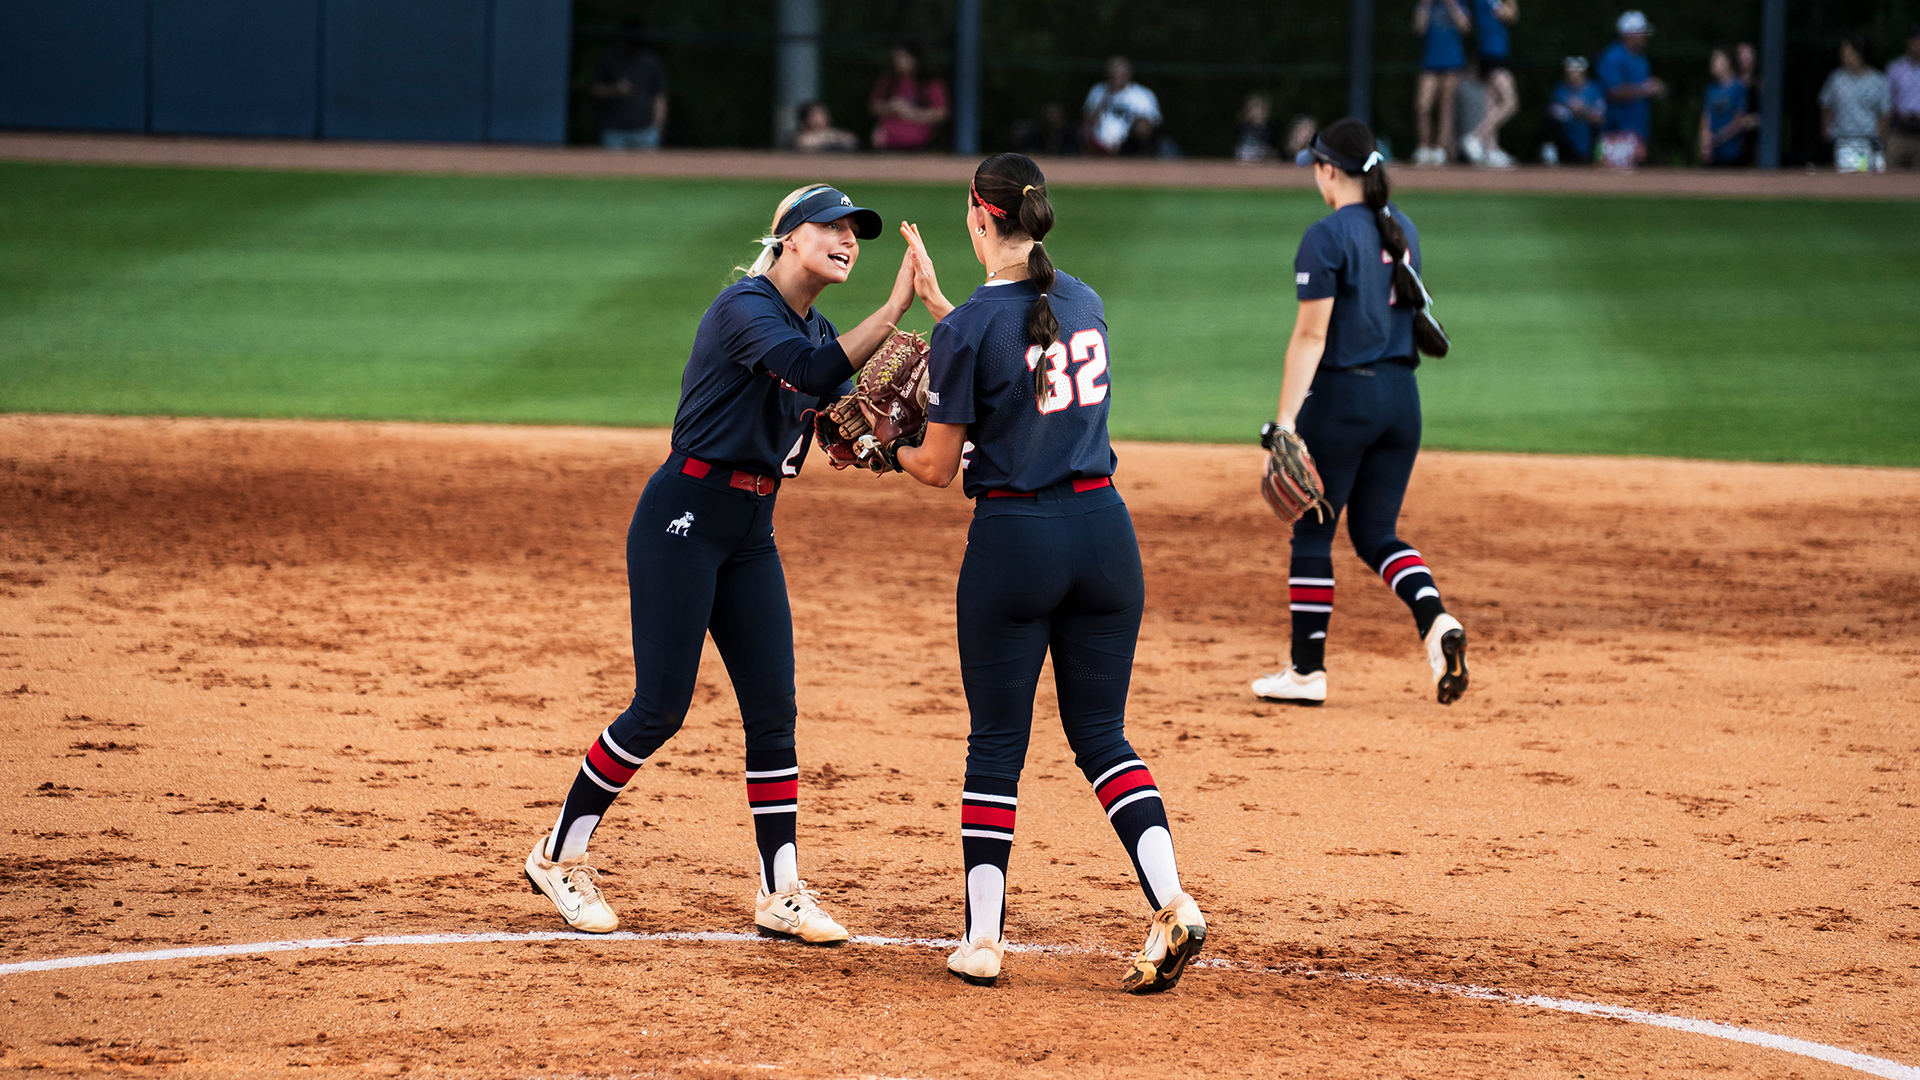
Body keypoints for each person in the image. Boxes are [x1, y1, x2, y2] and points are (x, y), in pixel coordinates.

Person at [523, 185, 918, 943]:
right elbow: (808, 371)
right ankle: (557, 856)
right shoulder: (745, 308)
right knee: (660, 707)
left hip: (750, 530)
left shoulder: (820, 325)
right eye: (830, 228)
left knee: (774, 710)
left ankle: (780, 890)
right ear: (786, 239)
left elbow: (839, 410)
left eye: (854, 233)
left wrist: (886, 441)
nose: (846, 241)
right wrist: (895, 310)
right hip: (683, 518)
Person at [890, 153, 1207, 994]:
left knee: (998, 743)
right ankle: (1172, 900)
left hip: (1016, 543)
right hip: (1105, 536)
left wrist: (881, 444)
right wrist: (940, 310)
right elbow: (1021, 358)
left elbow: (934, 466)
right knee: (1102, 736)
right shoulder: (1085, 301)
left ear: (977, 214)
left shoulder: (969, 333)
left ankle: (985, 941)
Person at [1250, 119, 1468, 710]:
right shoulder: (1402, 229)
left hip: (1345, 401)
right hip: (1403, 402)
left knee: (1314, 530)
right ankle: (1435, 619)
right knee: (1376, 535)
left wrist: (1285, 422)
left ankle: (1306, 672)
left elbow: (1311, 335)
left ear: (1327, 170)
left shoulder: (1325, 237)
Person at [1596, 11, 1666, 164]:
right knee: (1613, 181)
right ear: (1630, 34)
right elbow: (1613, 91)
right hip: (1617, 132)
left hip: (1638, 131)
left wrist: (1654, 88)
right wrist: (1646, 89)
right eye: (1642, 33)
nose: (1646, 37)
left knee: (1635, 179)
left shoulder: (1641, 58)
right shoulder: (1613, 56)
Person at [1820, 35, 1892, 172]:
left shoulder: (1878, 81)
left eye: (1847, 51)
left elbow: (1885, 113)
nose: (1843, 55)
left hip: (1868, 141)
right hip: (1843, 141)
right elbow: (1826, 107)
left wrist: (1879, 138)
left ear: (1859, 54)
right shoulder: (1836, 79)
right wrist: (1827, 135)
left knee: (1867, 182)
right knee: (1844, 182)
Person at [1413, 0, 1472, 164]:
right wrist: (1424, 5)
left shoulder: (1459, 2)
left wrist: (1451, 4)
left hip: (1453, 61)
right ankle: (1424, 147)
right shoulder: (1426, 3)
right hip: (1430, 62)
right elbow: (1418, 29)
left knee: (1446, 107)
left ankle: (1440, 150)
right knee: (1422, 105)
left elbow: (1465, 27)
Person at [1461, 0, 1518, 167]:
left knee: (1492, 104)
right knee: (1510, 102)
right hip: (1493, 54)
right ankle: (1475, 137)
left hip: (1493, 53)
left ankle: (1491, 150)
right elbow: (1510, 14)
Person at [592, 33, 668, 150]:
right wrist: (615, 89)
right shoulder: (609, 58)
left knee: (645, 167)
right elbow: (595, 90)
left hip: (645, 131)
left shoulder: (651, 62)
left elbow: (660, 97)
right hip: (614, 131)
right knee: (612, 168)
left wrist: (657, 129)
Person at [869, 45, 950, 151]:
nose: (897, 62)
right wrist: (890, 107)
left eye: (902, 57)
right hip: (888, 137)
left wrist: (911, 113)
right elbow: (874, 106)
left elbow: (941, 113)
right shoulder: (888, 80)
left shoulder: (929, 82)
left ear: (914, 59)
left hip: (919, 137)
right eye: (896, 58)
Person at [1082, 56, 1163, 156]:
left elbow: (1151, 124)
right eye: (1113, 72)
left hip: (1128, 144)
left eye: (1120, 72)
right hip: (1098, 143)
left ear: (1128, 74)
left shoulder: (1142, 94)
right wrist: (1106, 96)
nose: (1116, 75)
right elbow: (1087, 120)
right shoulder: (1098, 91)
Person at [1700, 48, 1757, 166]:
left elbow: (1739, 120)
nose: (1713, 63)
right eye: (1712, 60)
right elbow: (1706, 117)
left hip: (1732, 154)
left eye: (1717, 59)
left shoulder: (1739, 87)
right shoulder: (1711, 89)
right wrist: (1705, 142)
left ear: (1728, 63)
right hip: (1713, 154)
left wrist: (1719, 138)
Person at [1546, 56, 1607, 164]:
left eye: (1576, 70)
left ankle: (1597, 157)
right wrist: (1569, 110)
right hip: (1566, 138)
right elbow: (1553, 112)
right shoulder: (1560, 89)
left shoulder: (1594, 89)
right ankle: (1551, 154)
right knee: (1550, 122)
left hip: (1586, 140)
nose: (1572, 74)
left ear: (1583, 71)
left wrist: (1582, 109)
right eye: (1570, 70)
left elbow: (1600, 118)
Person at [1889, 26, 1920, 169]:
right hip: (1900, 130)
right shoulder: (1896, 68)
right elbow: (1888, 100)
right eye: (1915, 41)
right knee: (1889, 174)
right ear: (1909, 42)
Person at [1010, 102, 1082, 156]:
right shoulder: (1035, 136)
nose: (1053, 119)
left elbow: (1081, 156)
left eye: (1056, 115)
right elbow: (1026, 154)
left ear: (1062, 117)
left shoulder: (1071, 136)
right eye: (1050, 115)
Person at [794, 102, 860, 153]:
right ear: (806, 119)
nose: (820, 119)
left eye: (823, 115)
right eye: (815, 115)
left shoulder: (835, 133)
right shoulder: (798, 138)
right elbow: (804, 143)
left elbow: (851, 140)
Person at [1235, 93, 1276, 162]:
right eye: (1254, 109)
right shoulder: (1243, 127)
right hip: (1244, 159)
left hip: (1260, 160)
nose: (1257, 113)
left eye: (1261, 110)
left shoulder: (1269, 129)